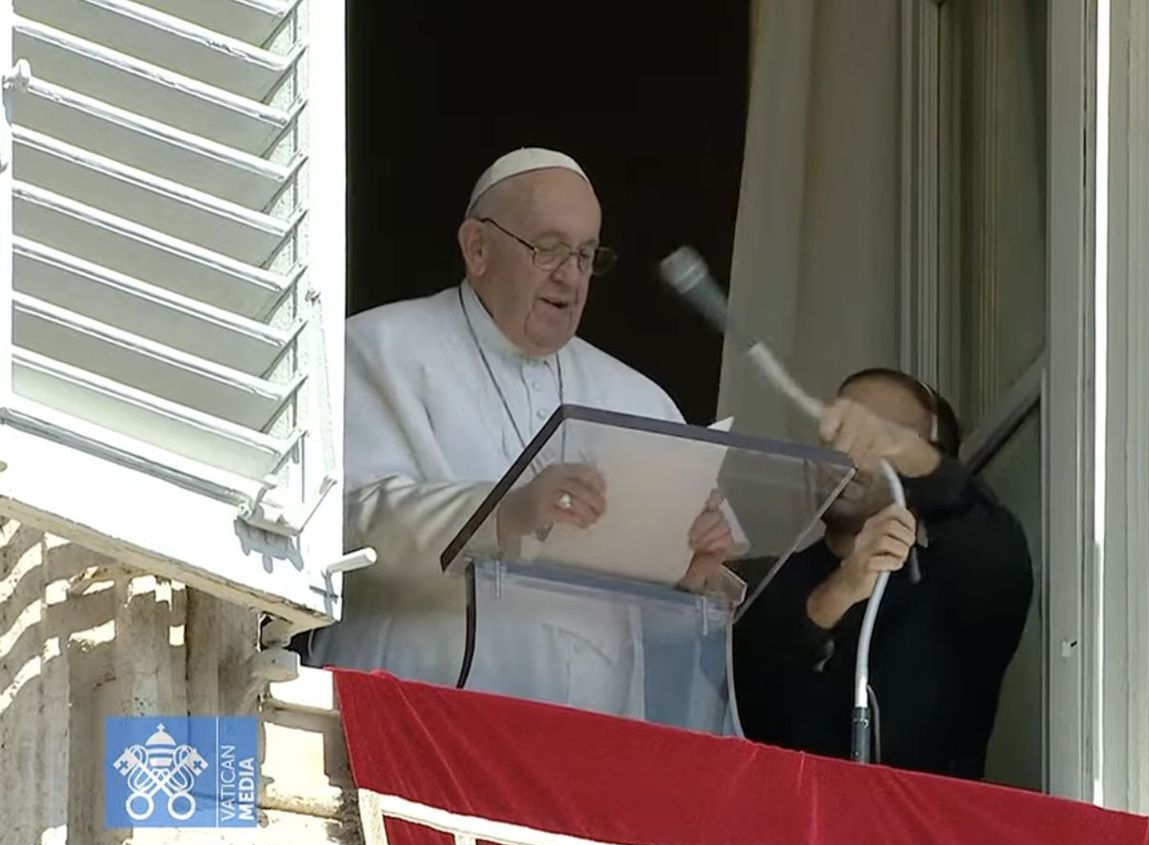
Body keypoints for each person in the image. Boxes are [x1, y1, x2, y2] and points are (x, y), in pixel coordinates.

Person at [306, 148, 733, 712]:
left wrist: (688, 578)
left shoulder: (641, 399)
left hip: (587, 736)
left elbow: (653, 634)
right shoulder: (377, 348)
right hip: (414, 709)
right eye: (549, 249)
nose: (570, 276)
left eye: (586, 255)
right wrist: (506, 513)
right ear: (477, 248)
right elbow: (346, 528)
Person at [732, 369, 1033, 780]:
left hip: (917, 836)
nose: (848, 453)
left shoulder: (955, 585)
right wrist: (842, 589)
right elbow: (744, 681)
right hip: (782, 833)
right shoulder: (764, 581)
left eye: (877, 437)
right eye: (838, 433)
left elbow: (998, 550)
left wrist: (907, 452)